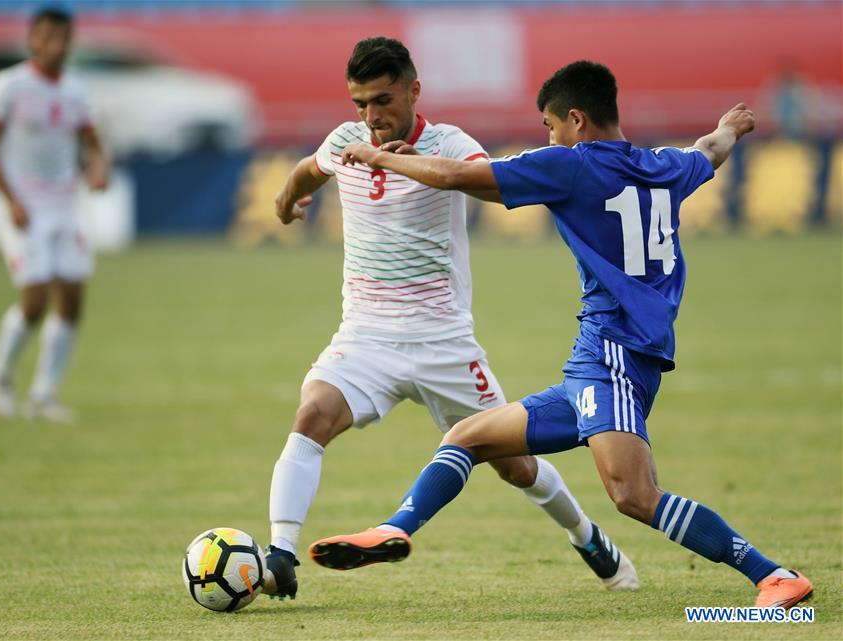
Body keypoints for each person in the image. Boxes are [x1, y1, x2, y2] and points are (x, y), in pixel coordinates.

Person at [309, 61, 813, 610]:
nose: (548, 136)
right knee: (467, 438)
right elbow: (709, 151)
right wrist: (732, 127)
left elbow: (462, 178)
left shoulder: (571, 166)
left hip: (616, 358)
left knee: (633, 496)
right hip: (594, 362)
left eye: (550, 125)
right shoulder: (667, 166)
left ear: (576, 119)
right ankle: (395, 528)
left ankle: (773, 575)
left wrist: (381, 157)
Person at [263, 39, 637, 600]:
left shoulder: (449, 144)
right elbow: (306, 170)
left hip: (444, 343)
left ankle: (586, 536)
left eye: (383, 100)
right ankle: (279, 555)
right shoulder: (345, 141)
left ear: (414, 91)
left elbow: (483, 181)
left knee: (516, 466)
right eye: (360, 103)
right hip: (365, 337)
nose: (371, 116)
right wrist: (286, 201)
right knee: (312, 415)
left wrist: (400, 162)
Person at [0, 3, 109, 423]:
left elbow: (92, 141)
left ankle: (43, 393)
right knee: (34, 303)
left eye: (63, 38)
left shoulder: (75, 91)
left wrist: (98, 166)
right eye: (48, 37)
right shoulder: (9, 86)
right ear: (33, 39)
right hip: (25, 206)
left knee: (71, 299)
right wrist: (10, 199)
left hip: (66, 204)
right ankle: (0, 371)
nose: (56, 45)